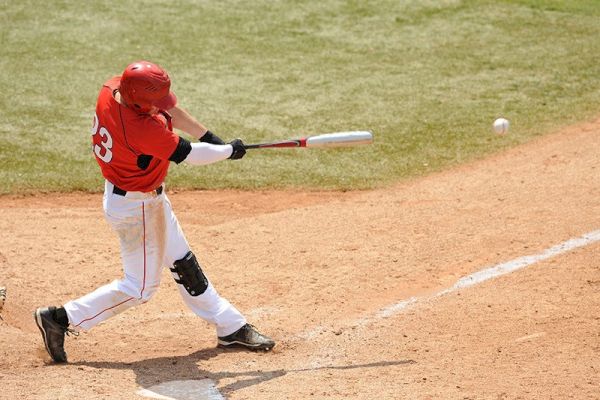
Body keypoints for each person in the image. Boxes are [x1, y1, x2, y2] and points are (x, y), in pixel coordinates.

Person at [33, 61, 275, 363]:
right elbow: (189, 155)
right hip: (137, 209)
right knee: (140, 288)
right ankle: (61, 318)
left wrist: (210, 137)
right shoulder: (139, 128)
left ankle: (230, 326)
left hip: (141, 198)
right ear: (138, 100)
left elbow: (170, 111)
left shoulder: (113, 88)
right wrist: (228, 150)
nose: (160, 106)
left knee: (183, 263)